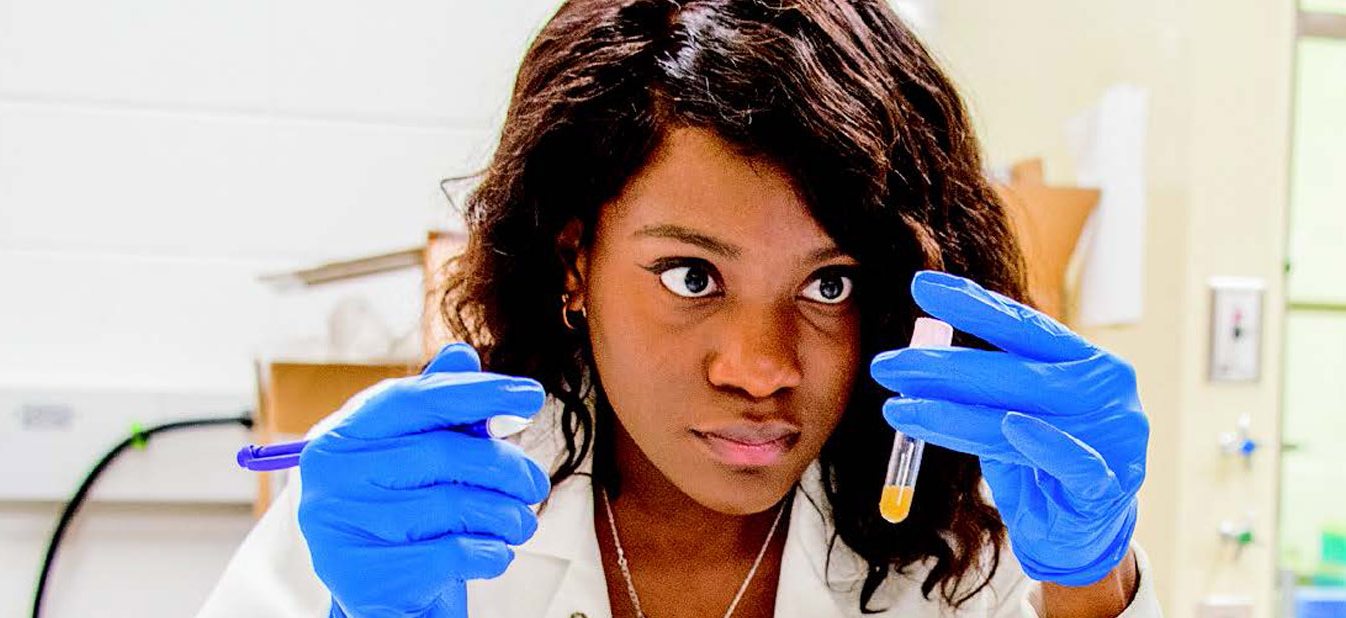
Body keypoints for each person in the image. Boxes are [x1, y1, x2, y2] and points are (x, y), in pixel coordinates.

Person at [196, 1, 1159, 617]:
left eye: (829, 285)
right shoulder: (401, 518)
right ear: (576, 261)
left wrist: (1089, 586)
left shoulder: (960, 543)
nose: (760, 365)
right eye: (692, 276)